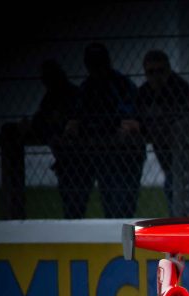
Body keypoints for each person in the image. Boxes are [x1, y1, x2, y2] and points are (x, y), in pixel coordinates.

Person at [64, 43, 146, 218]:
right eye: (93, 64)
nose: (96, 69)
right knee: (109, 202)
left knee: (120, 205)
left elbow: (128, 118)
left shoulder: (120, 85)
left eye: (99, 64)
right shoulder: (87, 88)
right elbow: (77, 117)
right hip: (100, 154)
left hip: (122, 155)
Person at [137, 50, 189, 216]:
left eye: (160, 71)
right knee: (175, 207)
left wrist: (149, 127)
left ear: (168, 69)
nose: (156, 77)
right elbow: (139, 124)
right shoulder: (143, 94)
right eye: (151, 72)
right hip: (168, 161)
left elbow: (183, 125)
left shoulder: (180, 89)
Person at [25, 60, 85, 219]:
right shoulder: (50, 98)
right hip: (65, 158)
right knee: (70, 202)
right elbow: (39, 122)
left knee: (74, 202)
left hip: (80, 157)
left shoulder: (72, 95)